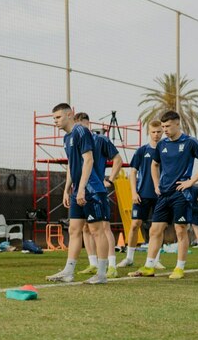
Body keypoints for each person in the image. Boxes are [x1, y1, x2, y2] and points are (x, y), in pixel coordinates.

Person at [130, 110, 198, 279]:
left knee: (180, 230)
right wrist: (156, 185)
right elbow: (154, 165)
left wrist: (191, 181)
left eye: (167, 126)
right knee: (155, 230)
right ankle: (149, 267)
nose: (165, 130)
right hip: (163, 195)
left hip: (181, 194)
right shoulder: (162, 144)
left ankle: (179, 268)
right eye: (163, 126)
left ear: (177, 124)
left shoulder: (190, 142)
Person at [46, 104, 110, 284]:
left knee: (97, 230)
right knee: (74, 230)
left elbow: (88, 160)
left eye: (58, 117)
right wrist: (67, 189)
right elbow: (71, 165)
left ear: (69, 115)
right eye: (54, 118)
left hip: (92, 189)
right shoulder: (66, 138)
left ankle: (102, 274)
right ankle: (68, 272)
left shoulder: (81, 131)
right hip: (77, 190)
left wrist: (82, 188)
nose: (55, 121)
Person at [73, 113, 122, 279]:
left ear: (86, 124)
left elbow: (117, 159)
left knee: (104, 227)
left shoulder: (100, 140)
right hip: (81, 189)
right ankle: (93, 263)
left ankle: (112, 265)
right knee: (86, 228)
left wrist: (111, 179)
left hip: (97, 189)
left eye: (80, 126)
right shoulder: (76, 141)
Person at [118, 121, 165, 268]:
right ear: (149, 132)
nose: (156, 134)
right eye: (153, 132)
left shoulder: (166, 150)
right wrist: (134, 192)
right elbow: (133, 172)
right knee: (135, 225)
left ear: (163, 132)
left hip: (160, 195)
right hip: (142, 194)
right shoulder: (141, 151)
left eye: (159, 132)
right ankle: (129, 258)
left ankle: (155, 260)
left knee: (158, 228)